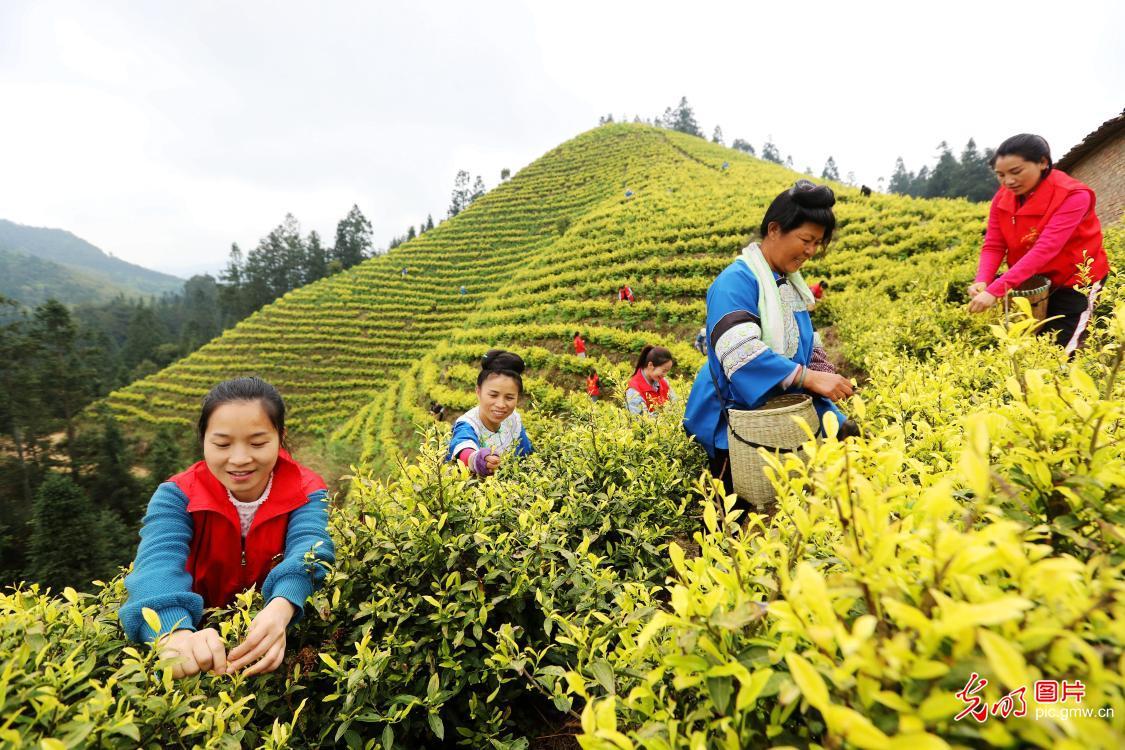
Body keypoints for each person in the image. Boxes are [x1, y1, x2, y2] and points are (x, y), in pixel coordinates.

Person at [118, 377, 334, 679]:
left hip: (277, 646)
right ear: (203, 439)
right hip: (201, 642)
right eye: (222, 444)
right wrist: (173, 633)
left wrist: (282, 605)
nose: (240, 459)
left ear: (280, 437)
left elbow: (311, 546)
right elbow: (157, 563)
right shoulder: (176, 496)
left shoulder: (307, 490)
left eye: (258, 443)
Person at [683, 180, 858, 493]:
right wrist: (808, 378)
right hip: (737, 426)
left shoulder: (789, 284)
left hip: (780, 419)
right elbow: (741, 353)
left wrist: (827, 376)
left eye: (817, 243)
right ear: (775, 229)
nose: (810, 251)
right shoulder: (736, 282)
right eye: (806, 239)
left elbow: (807, 342)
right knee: (745, 521)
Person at [968, 134, 1110, 354]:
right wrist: (983, 280)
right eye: (1000, 175)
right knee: (1028, 349)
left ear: (1043, 162)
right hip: (1030, 283)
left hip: (1075, 281)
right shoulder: (1003, 197)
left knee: (1061, 353)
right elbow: (994, 245)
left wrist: (996, 289)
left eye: (1016, 172)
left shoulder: (1073, 195)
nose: (1008, 181)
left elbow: (1046, 249)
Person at [446, 350, 534, 476]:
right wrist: (477, 460)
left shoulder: (513, 419)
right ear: (478, 391)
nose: (501, 404)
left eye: (509, 397)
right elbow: (464, 448)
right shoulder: (468, 424)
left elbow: (525, 453)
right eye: (493, 395)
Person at [625, 345, 677, 415]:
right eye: (664, 371)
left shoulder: (663, 381)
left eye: (667, 371)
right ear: (650, 365)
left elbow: (675, 403)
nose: (665, 375)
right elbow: (640, 420)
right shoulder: (634, 391)